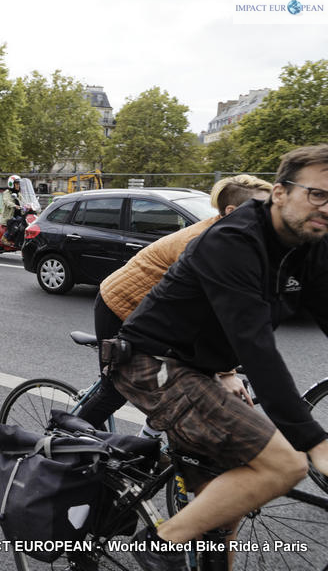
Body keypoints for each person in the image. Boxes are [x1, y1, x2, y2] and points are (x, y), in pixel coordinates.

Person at [107, 145, 328, 570]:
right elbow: (255, 344)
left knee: (221, 516)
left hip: (198, 365)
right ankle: (159, 543)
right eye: (317, 194)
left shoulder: (308, 241)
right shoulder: (233, 240)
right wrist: (313, 441)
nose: (326, 207)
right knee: (284, 466)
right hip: (150, 362)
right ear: (279, 192)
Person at [78, 174, 273, 430]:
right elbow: (215, 310)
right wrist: (226, 373)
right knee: (118, 388)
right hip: (121, 305)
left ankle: (157, 450)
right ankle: (65, 441)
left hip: (160, 315)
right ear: (232, 211)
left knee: (185, 385)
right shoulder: (206, 243)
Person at [0, 174, 22, 246]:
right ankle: (4, 238)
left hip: (18, 215)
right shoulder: (6, 193)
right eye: (16, 183)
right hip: (9, 217)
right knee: (16, 223)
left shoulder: (18, 194)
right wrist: (15, 206)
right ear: (11, 184)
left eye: (19, 183)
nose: (18, 185)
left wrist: (30, 205)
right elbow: (7, 202)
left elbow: (24, 201)